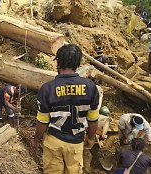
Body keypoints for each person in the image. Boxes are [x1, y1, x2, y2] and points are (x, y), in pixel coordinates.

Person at [31, 44, 100, 174]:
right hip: (76, 142)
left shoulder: (48, 89)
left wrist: (36, 139)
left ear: (58, 62)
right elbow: (93, 119)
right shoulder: (90, 87)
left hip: (53, 140)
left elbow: (42, 121)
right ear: (78, 63)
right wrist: (91, 138)